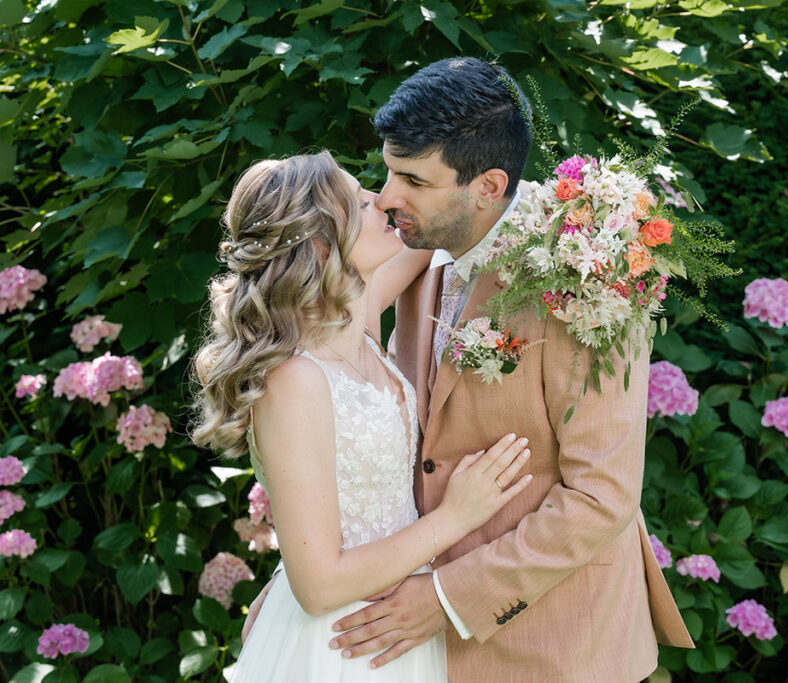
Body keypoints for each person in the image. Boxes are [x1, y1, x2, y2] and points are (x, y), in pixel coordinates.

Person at [319, 58, 695, 682]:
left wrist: (446, 598)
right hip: (415, 640)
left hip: (559, 643)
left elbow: (602, 497)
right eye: (387, 172)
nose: (386, 198)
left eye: (412, 179)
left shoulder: (589, 277)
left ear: (489, 187)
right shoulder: (417, 246)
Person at [190, 151, 533, 682]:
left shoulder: (356, 319)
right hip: (343, 645)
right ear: (322, 242)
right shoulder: (294, 379)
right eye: (359, 200)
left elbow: (449, 224)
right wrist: (454, 518)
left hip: (400, 625)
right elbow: (319, 584)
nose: (383, 200)